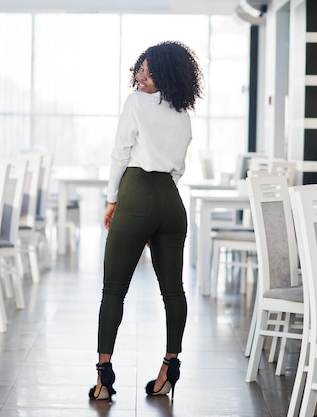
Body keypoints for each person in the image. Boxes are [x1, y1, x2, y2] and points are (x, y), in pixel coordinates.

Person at [89, 41, 203, 401]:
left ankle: (104, 379)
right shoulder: (183, 113)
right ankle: (170, 367)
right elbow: (180, 167)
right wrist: (160, 197)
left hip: (136, 195)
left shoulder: (135, 103)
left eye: (151, 72)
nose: (142, 77)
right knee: (173, 290)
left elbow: (121, 152)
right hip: (171, 202)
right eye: (141, 69)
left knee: (113, 290)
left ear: (169, 75)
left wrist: (112, 199)